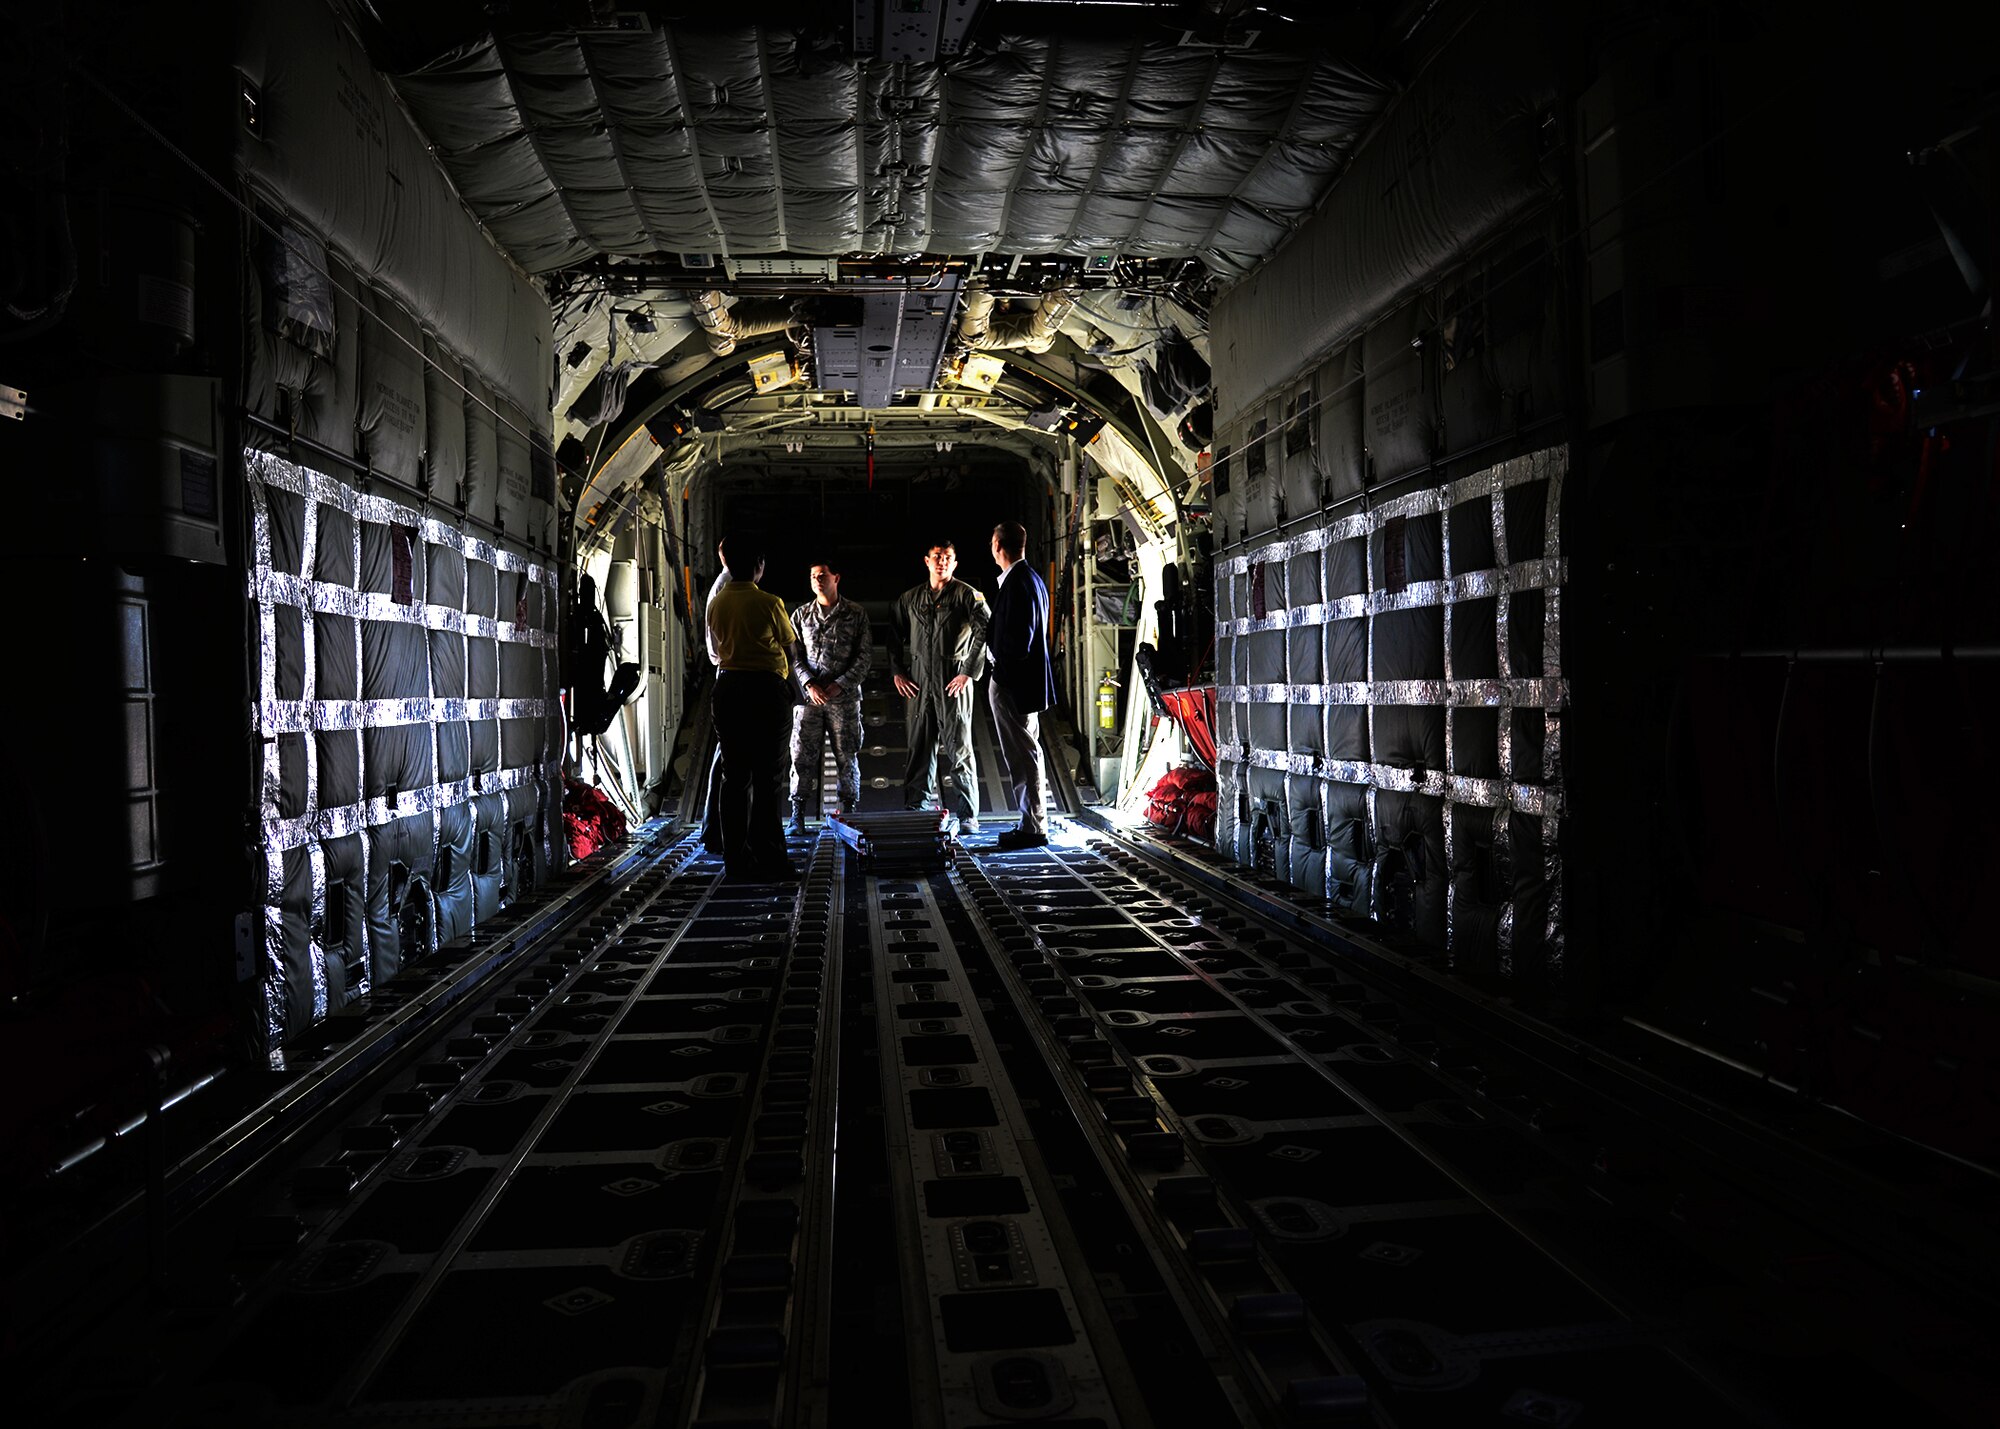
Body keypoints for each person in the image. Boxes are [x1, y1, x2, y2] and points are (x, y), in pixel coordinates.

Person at [706, 534, 797, 879]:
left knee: (734, 778)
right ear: (759, 567)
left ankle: (736, 862)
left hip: (727, 688)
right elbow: (790, 646)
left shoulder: (716, 604)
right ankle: (771, 859)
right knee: (768, 778)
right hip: (765, 690)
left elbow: (715, 651)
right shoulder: (770, 603)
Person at [889, 538, 991, 833]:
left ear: (955, 563)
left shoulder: (967, 596)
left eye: (947, 557)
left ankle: (968, 815)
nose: (942, 561)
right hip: (919, 683)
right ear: (926, 560)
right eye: (937, 556)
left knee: (960, 749)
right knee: (919, 747)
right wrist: (898, 671)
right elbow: (894, 635)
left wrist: (969, 672)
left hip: (953, 681)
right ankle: (916, 808)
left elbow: (985, 630)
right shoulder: (910, 598)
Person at [984, 521, 1058, 849]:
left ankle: (1033, 827)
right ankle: (1032, 822)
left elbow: (1019, 641)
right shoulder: (1032, 579)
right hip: (1024, 683)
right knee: (1026, 750)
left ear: (999, 545)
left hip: (1014, 685)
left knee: (1023, 754)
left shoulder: (1017, 583)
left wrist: (1000, 675)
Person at [788, 557, 873, 830]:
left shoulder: (856, 614)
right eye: (813, 575)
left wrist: (840, 684)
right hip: (809, 700)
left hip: (844, 700)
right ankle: (797, 814)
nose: (817, 579)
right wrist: (809, 684)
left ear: (836, 577)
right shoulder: (800, 615)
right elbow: (793, 657)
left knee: (847, 756)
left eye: (823, 574)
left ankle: (849, 812)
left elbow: (864, 656)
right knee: (801, 756)